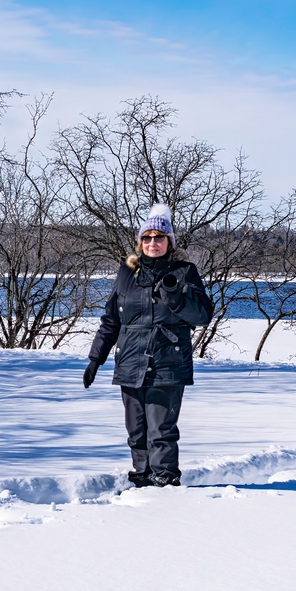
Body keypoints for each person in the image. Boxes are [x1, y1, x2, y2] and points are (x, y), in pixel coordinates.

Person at [83, 204, 213, 488]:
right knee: (136, 430)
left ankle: (164, 484)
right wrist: (95, 359)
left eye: (159, 237)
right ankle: (142, 480)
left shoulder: (184, 272)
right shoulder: (126, 273)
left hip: (168, 362)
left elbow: (202, 316)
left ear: (169, 242)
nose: (153, 243)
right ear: (140, 241)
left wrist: (175, 298)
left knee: (161, 431)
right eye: (147, 237)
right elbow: (111, 320)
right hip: (130, 361)